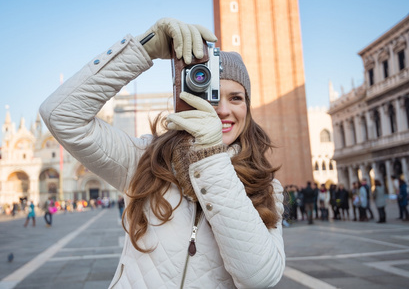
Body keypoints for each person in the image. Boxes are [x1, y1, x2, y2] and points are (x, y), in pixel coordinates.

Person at [40, 17, 285, 288]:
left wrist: (210, 156)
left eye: (236, 98)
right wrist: (142, 50)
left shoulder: (267, 186)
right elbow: (61, 116)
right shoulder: (144, 159)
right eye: (211, 96)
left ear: (248, 109)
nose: (223, 110)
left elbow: (261, 278)